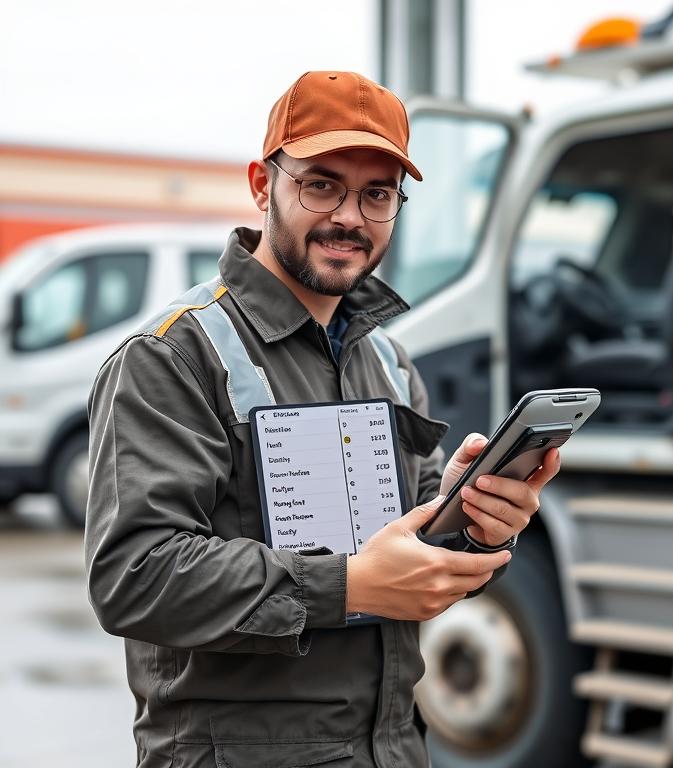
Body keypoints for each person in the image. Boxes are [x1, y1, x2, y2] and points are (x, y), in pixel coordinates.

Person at [85, 71, 560, 768]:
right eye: (321, 184)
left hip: (391, 750)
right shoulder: (173, 357)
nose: (349, 217)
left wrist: (467, 519)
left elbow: (411, 562)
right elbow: (134, 575)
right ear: (261, 184)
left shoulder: (390, 363)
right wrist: (347, 586)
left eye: (377, 194)